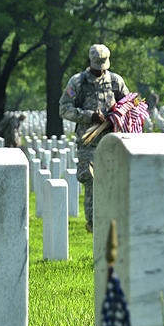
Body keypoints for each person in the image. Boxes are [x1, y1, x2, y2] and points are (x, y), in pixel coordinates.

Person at [59, 44, 129, 233]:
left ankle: (113, 217)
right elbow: (64, 108)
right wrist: (89, 116)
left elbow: (128, 104)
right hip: (88, 141)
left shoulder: (115, 81)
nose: (100, 70)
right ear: (90, 62)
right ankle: (93, 222)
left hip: (111, 139)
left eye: (102, 65)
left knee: (112, 179)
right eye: (97, 65)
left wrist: (117, 116)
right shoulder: (77, 82)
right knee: (89, 179)